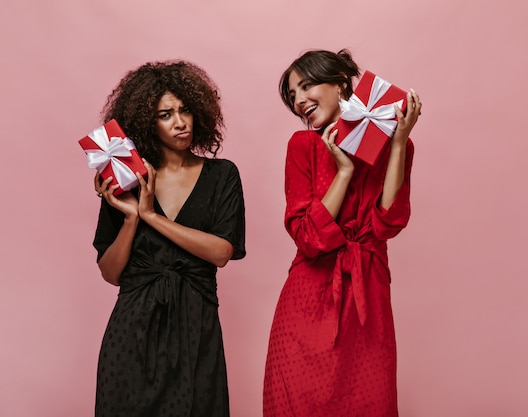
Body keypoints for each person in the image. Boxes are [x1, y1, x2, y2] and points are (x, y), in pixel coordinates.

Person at [263, 49, 422, 417]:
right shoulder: (302, 145)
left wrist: (398, 142)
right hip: (309, 295)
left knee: (370, 403)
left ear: (339, 84)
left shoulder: (395, 147)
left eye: (306, 86)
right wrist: (344, 171)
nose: (299, 100)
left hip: (368, 292)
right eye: (292, 95)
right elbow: (307, 236)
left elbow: (388, 222)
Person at [91, 60, 246, 417]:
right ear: (147, 122)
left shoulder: (222, 175)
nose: (180, 122)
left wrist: (151, 217)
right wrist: (131, 219)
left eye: (185, 110)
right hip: (132, 331)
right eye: (165, 114)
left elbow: (221, 251)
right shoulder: (128, 181)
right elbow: (112, 273)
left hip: (197, 327)